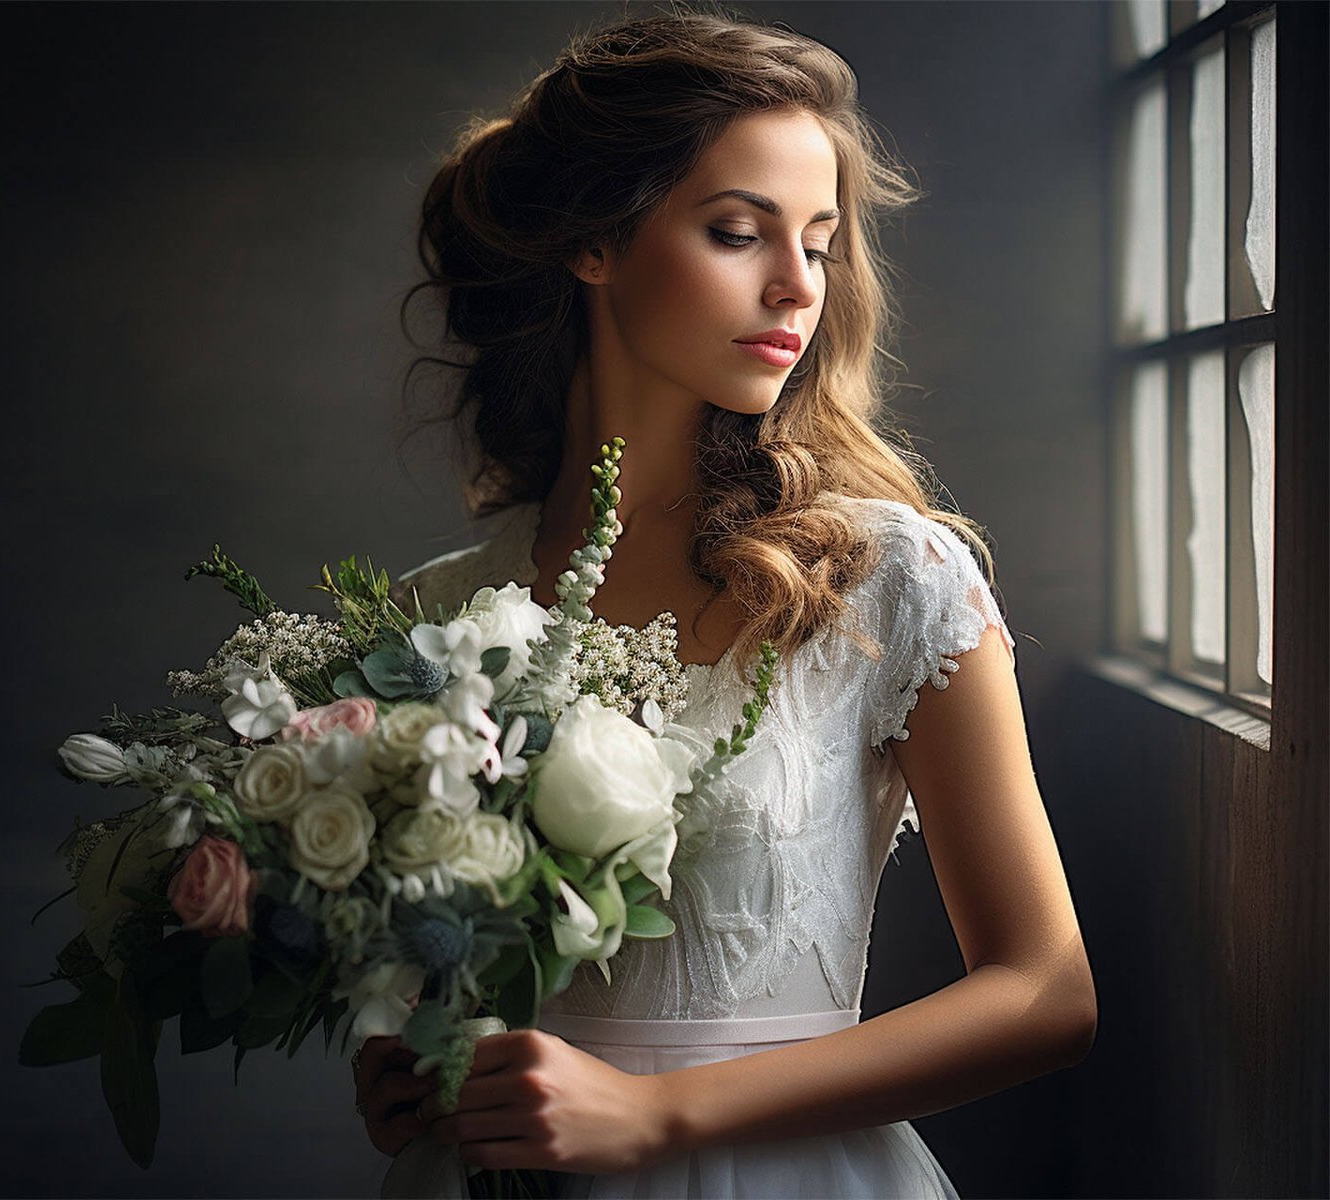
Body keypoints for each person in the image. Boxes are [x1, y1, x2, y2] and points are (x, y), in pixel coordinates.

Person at [354, 7, 1097, 1197]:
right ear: (593, 241)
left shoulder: (888, 577)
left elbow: (1049, 990)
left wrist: (658, 1114)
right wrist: (415, 1062)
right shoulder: (441, 613)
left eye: (822, 240)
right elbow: (461, 966)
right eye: (739, 232)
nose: (798, 286)